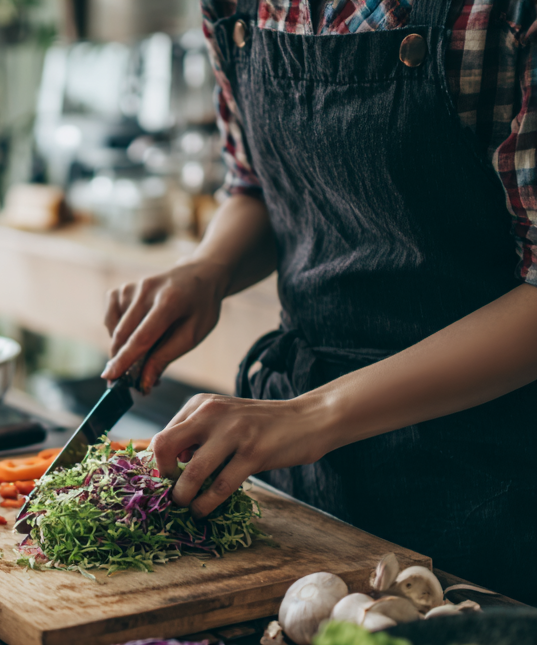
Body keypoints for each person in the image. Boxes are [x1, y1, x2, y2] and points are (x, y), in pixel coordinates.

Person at [104, 0, 537, 604]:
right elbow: (254, 183)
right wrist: (208, 269)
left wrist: (312, 417)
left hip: (485, 481)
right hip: (302, 474)